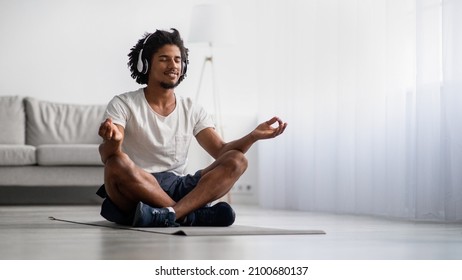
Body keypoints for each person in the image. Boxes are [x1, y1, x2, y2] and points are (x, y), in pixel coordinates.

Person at [96, 28, 287, 227]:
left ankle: (170, 214)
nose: (173, 66)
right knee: (115, 163)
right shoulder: (123, 103)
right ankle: (190, 214)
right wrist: (114, 142)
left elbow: (221, 151)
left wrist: (253, 136)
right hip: (139, 185)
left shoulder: (192, 108)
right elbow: (107, 155)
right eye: (164, 59)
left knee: (237, 160)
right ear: (145, 64)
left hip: (180, 185)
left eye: (178, 60)